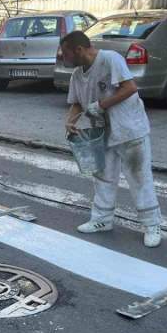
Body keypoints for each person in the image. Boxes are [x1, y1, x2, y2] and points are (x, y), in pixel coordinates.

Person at [61, 30, 161, 247]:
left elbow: (130, 88)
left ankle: (151, 224)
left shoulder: (110, 59)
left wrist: (101, 105)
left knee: (138, 176)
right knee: (103, 176)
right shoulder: (77, 75)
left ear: (79, 49)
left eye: (66, 53)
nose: (63, 57)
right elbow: (77, 102)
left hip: (129, 129)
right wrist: (70, 121)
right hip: (102, 133)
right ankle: (102, 220)